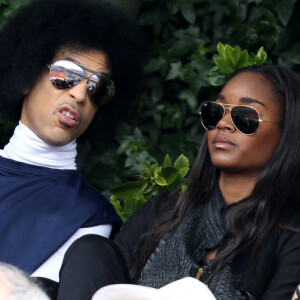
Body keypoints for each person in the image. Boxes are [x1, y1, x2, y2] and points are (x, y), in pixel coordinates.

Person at [60, 64, 300, 300]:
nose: (223, 123)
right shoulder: (163, 211)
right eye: (215, 111)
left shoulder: (291, 239)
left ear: (286, 132)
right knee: (90, 250)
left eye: (245, 116)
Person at [0, 0, 144, 295]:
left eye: (97, 88)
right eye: (66, 74)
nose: (79, 94)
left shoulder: (90, 216)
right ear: (27, 75)